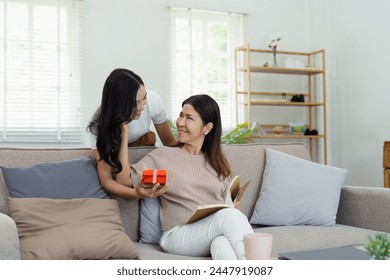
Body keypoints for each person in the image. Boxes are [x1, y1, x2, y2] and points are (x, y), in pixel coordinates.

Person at [116, 94, 254, 259]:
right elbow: (123, 180)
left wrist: (234, 207)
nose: (180, 123)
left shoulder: (218, 163)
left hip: (210, 234)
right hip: (177, 235)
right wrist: (123, 137)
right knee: (228, 217)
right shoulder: (164, 156)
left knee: (222, 244)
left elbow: (233, 208)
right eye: (181, 115)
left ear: (207, 128)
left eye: (189, 118)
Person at [86, 68, 174, 198]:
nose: (141, 107)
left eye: (144, 98)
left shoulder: (153, 101)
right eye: (134, 103)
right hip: (116, 151)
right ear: (118, 104)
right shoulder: (98, 126)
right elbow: (106, 181)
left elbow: (170, 143)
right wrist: (137, 194)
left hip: (144, 144)